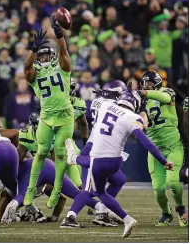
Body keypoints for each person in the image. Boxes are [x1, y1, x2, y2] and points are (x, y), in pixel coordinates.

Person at [61, 89, 173, 238]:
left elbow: (105, 104)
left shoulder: (105, 107)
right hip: (115, 161)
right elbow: (146, 141)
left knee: (94, 189)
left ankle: (73, 159)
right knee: (102, 191)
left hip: (99, 158)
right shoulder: (132, 117)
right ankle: (125, 219)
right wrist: (163, 160)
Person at [23, 16, 74, 209]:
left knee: (60, 154)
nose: (44, 58)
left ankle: (56, 190)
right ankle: (30, 189)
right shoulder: (35, 74)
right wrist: (33, 48)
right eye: (40, 56)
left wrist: (59, 34)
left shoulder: (62, 68)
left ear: (52, 57)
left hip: (65, 115)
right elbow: (26, 67)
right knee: (42, 151)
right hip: (46, 116)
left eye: (47, 55)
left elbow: (64, 52)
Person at [139, 71, 187, 227]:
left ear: (157, 83)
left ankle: (181, 210)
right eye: (145, 83)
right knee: (158, 189)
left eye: (150, 83)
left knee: (173, 182)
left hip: (173, 146)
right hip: (155, 150)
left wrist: (145, 92)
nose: (146, 86)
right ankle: (166, 214)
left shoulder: (167, 92)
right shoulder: (143, 102)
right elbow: (142, 122)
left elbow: (165, 98)